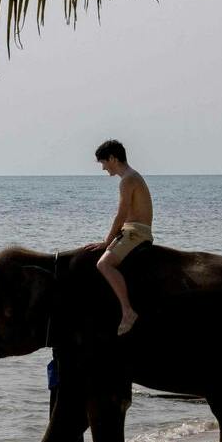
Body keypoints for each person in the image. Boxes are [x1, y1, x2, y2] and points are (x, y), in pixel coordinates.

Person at [90, 139, 153, 334]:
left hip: (136, 233)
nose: (103, 168)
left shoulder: (128, 180)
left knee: (104, 264)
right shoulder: (130, 177)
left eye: (103, 162)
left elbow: (121, 214)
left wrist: (107, 241)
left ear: (113, 158)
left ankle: (127, 311)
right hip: (131, 230)